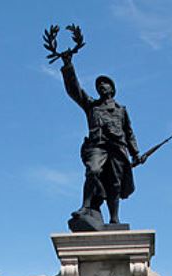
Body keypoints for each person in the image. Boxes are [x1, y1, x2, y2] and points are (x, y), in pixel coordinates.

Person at [59, 55, 145, 227]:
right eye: (99, 84)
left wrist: (136, 153)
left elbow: (129, 133)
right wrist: (68, 65)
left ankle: (114, 218)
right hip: (98, 146)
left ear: (112, 89)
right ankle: (86, 206)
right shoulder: (92, 106)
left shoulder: (121, 110)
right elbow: (75, 90)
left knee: (115, 183)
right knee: (93, 170)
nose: (101, 85)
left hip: (117, 148)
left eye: (105, 83)